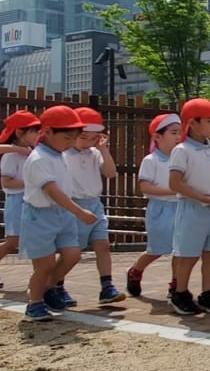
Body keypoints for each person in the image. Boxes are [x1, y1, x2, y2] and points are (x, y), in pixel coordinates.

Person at [20, 106, 97, 321]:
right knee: (43, 265)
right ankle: (34, 303)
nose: (71, 142)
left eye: (74, 137)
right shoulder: (38, 159)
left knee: (72, 255)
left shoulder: (57, 154)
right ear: (49, 132)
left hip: (62, 214)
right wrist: (79, 211)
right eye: (67, 136)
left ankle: (47, 288)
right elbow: (52, 191)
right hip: (40, 215)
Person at [56, 107, 126, 306]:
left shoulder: (95, 152)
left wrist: (103, 149)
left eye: (94, 138)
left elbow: (111, 173)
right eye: (84, 137)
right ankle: (57, 285)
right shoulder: (63, 155)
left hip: (95, 203)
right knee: (72, 251)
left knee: (102, 245)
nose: (88, 143)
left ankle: (107, 286)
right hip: (74, 205)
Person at [168, 98, 210, 316]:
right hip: (192, 208)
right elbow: (174, 183)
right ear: (192, 123)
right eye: (209, 121)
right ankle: (180, 293)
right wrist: (202, 197)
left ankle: (206, 293)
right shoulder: (181, 150)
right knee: (188, 254)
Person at [126, 113, 182, 298]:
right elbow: (145, 186)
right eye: (173, 132)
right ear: (157, 136)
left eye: (180, 133)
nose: (178, 137)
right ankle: (135, 271)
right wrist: (171, 191)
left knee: (180, 250)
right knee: (156, 249)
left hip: (181, 208)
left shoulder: (181, 158)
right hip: (160, 209)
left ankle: (176, 286)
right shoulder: (151, 160)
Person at [0, 111, 42, 281]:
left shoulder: (32, 152)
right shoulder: (11, 156)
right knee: (13, 241)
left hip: (31, 200)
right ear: (19, 132)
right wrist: (32, 182)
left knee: (35, 240)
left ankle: (39, 277)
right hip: (17, 202)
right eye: (34, 130)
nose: (38, 134)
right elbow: (7, 183)